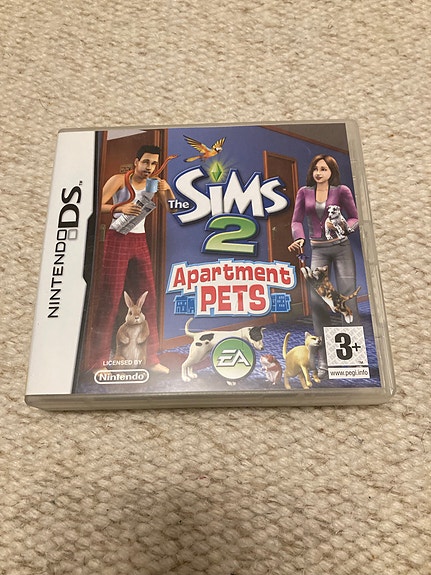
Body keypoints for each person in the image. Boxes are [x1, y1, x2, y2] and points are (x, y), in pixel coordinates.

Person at [89, 144, 174, 374]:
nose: (150, 167)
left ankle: (151, 358)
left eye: (154, 163)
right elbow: (94, 205)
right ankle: (97, 363)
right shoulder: (119, 180)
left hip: (140, 240)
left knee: (149, 299)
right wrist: (120, 208)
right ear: (136, 162)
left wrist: (167, 190)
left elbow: (171, 209)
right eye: (146, 162)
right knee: (110, 299)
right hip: (117, 238)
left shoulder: (153, 184)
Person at [288, 154, 359, 377]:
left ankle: (353, 358)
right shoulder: (304, 192)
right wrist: (299, 238)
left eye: (324, 169)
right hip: (318, 249)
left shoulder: (342, 191)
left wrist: (346, 228)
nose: (319, 173)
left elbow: (354, 217)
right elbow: (296, 220)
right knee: (318, 302)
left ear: (331, 172)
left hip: (342, 248)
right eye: (316, 169)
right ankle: (324, 361)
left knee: (347, 298)